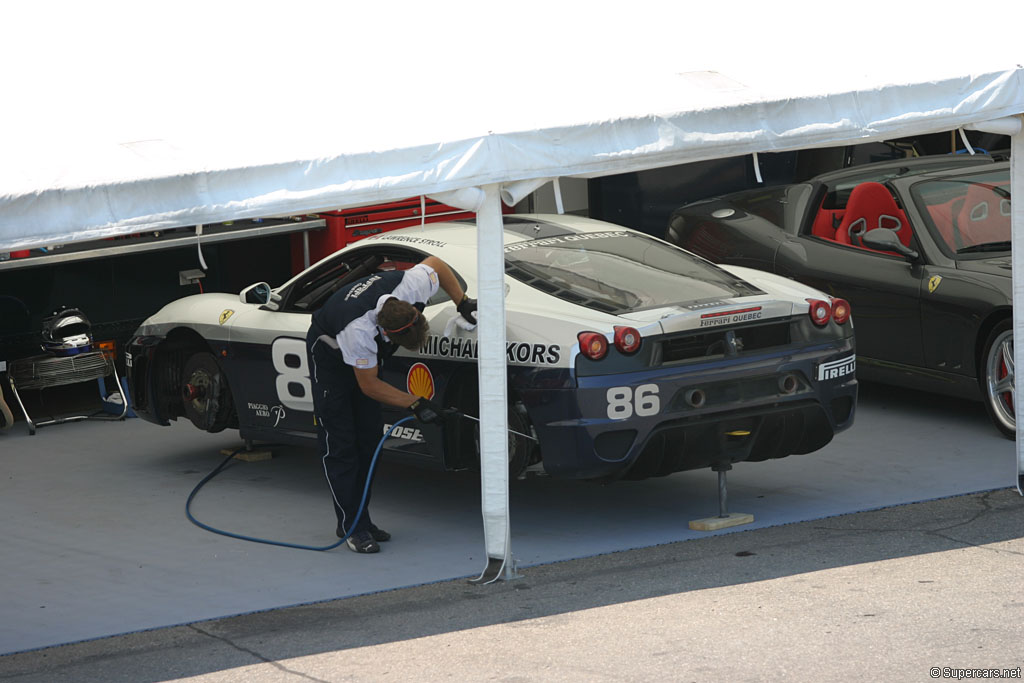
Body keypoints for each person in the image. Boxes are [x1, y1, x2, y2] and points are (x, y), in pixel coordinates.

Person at [305, 255, 477, 553]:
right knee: (342, 444)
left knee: (369, 439)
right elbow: (368, 385)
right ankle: (352, 526)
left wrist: (462, 301)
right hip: (331, 357)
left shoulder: (410, 287)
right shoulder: (358, 331)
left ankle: (361, 518)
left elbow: (436, 263)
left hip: (366, 362)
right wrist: (416, 404)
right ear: (386, 334)